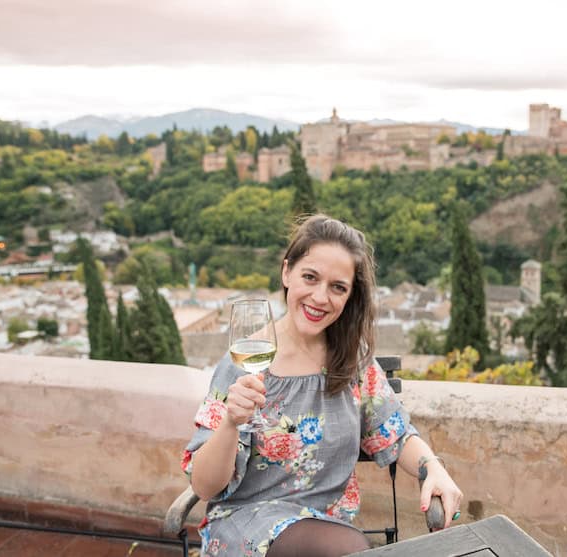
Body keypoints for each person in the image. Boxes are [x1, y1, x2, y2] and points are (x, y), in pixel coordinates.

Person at [181, 214, 463, 557]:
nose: (320, 297)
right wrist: (230, 421)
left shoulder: (351, 361)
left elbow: (396, 432)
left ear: (348, 297)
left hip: (329, 529)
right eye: (310, 277)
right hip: (248, 528)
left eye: (337, 287)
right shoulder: (242, 364)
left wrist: (433, 468)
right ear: (287, 273)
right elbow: (205, 486)